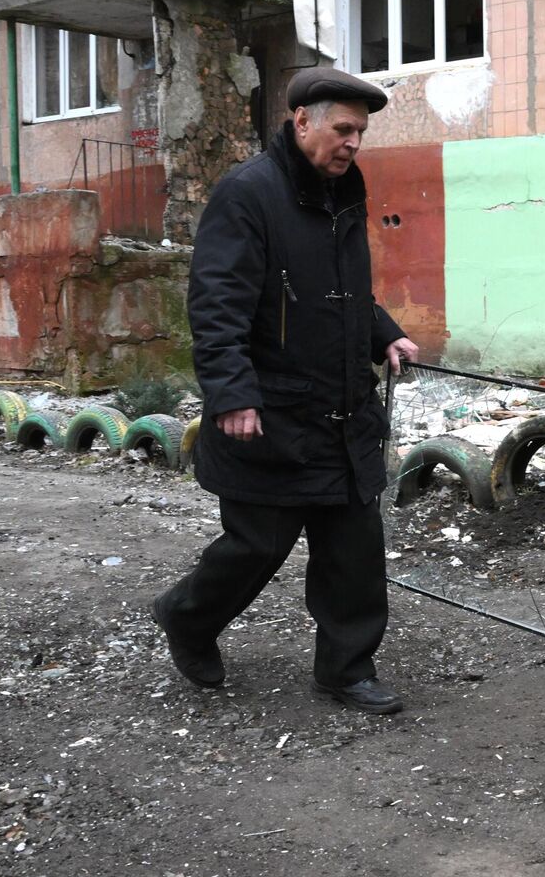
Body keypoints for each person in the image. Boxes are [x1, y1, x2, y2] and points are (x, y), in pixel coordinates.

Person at [150, 67, 419, 716]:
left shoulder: (343, 192)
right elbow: (217, 304)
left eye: (360, 131)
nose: (353, 142)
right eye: (343, 128)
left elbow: (346, 288)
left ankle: (346, 670)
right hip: (272, 413)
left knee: (354, 548)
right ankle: (188, 619)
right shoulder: (248, 194)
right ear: (302, 121)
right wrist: (232, 394)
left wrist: (383, 332)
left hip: (344, 409)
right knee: (255, 547)